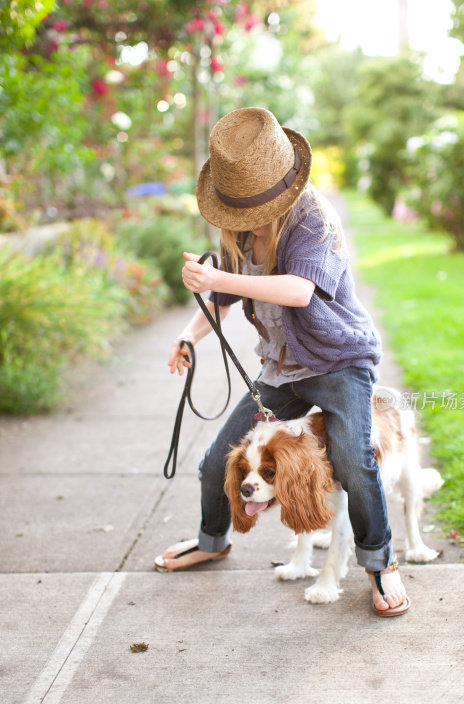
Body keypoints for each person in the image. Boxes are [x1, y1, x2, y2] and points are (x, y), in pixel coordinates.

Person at [154, 107, 409, 616]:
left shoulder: (313, 219)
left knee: (356, 462)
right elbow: (222, 299)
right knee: (218, 461)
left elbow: (297, 290)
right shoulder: (238, 232)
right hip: (282, 371)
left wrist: (219, 281)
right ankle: (212, 540)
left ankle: (380, 565)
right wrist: (189, 335)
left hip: (339, 363)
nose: (244, 223)